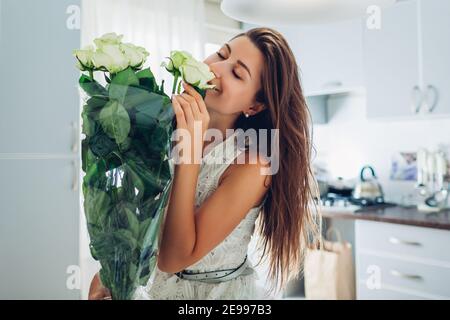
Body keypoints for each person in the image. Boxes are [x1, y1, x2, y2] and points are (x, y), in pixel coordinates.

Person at [89, 27, 320, 300]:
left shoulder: (253, 165)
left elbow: (173, 258)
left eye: (237, 73)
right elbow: (139, 220)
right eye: (221, 54)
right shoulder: (165, 128)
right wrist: (112, 274)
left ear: (254, 106)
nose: (216, 69)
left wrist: (190, 151)